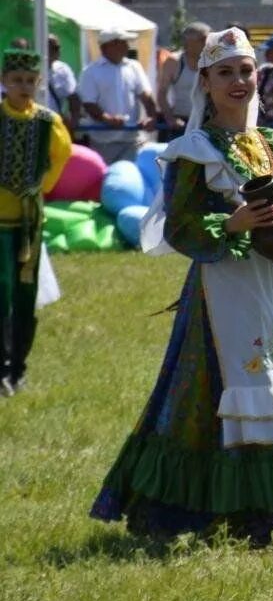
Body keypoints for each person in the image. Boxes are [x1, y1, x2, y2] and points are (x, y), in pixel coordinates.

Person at [92, 28, 273, 543]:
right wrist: (232, 225)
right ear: (206, 83)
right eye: (225, 72)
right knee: (209, 395)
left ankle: (264, 512)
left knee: (271, 382)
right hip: (219, 293)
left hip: (271, 288)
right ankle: (188, 509)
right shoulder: (193, 151)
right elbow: (179, 227)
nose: (238, 81)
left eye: (245, 71)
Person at [1, 47, 71, 395]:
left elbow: (62, 153)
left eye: (30, 80)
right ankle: (1, 366)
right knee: (1, 291)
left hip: (29, 222)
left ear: (39, 82)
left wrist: (41, 186)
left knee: (25, 293)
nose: (24, 87)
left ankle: (18, 367)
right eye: (17, 80)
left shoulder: (47, 121)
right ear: (4, 81)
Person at [78, 28, 160, 164]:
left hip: (131, 140)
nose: (127, 46)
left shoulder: (134, 67)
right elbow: (89, 103)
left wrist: (151, 117)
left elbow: (146, 95)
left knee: (130, 175)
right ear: (110, 45)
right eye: (123, 42)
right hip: (102, 142)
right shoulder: (90, 72)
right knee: (104, 176)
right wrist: (108, 119)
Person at [156, 22, 211, 134]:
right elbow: (161, 94)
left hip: (206, 123)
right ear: (188, 42)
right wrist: (170, 119)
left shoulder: (213, 62)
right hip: (181, 124)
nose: (208, 43)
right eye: (203, 39)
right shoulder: (174, 61)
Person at [40, 34, 78, 122]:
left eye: (58, 47)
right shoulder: (31, 68)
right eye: (54, 48)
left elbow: (73, 97)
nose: (58, 51)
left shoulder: (63, 69)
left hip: (55, 122)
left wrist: (74, 120)